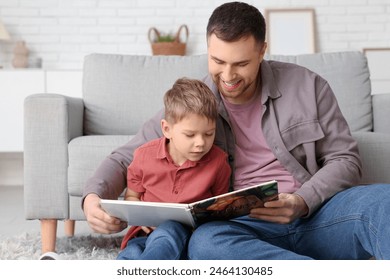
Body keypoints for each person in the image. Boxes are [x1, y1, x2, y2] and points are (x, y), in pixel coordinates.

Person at [83, 2, 390, 259]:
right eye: (218, 61)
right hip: (242, 228)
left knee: (382, 201)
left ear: (262, 51)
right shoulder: (195, 102)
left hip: (316, 215)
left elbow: (346, 160)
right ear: (207, 49)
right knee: (205, 243)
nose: (227, 76)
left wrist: (303, 201)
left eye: (241, 63)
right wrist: (92, 198)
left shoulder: (309, 86)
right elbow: (126, 157)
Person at [115, 78, 231, 260]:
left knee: (170, 230)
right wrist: (144, 217)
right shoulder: (143, 156)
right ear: (167, 129)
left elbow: (220, 208)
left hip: (188, 237)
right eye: (190, 135)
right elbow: (132, 197)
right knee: (131, 254)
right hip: (145, 234)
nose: (201, 143)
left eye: (209, 134)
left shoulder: (218, 162)